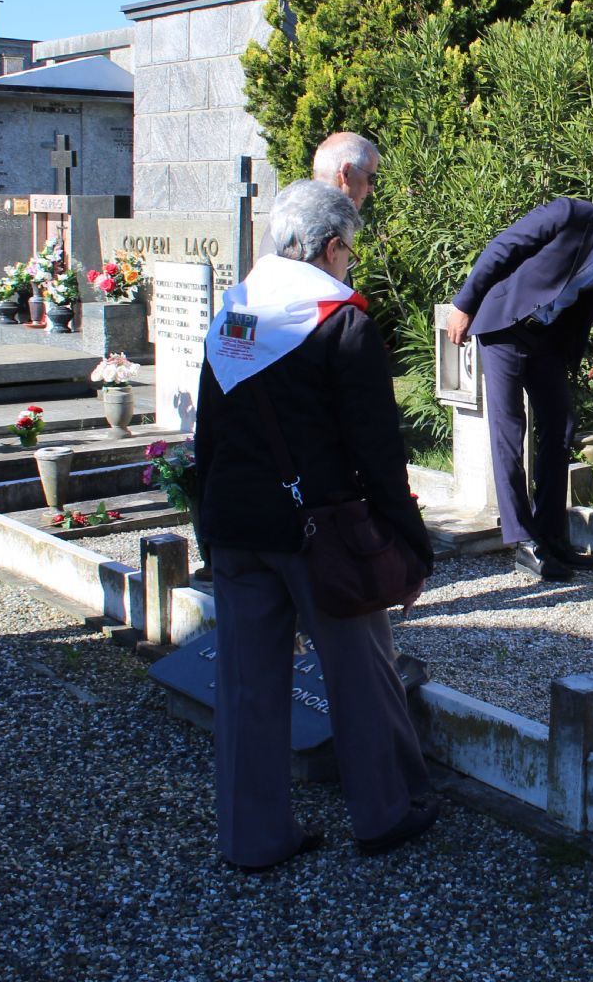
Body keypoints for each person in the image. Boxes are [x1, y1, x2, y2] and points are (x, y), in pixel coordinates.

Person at [194, 181, 440, 863]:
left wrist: (206, 523)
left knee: (245, 685)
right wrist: (409, 543)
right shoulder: (340, 321)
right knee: (360, 673)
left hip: (235, 521)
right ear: (331, 247)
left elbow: (208, 432)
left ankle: (252, 838)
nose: (349, 263)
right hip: (319, 529)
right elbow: (377, 449)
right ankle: (384, 812)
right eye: (349, 251)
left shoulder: (234, 312)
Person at [445, 188, 593, 582]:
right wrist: (463, 304)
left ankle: (551, 536)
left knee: (561, 426)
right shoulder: (570, 216)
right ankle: (524, 540)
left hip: (547, 340)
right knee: (509, 429)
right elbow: (505, 247)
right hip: (505, 325)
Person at [253, 131, 380, 258]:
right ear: (346, 173)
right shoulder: (317, 227)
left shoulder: (291, 216)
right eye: (371, 179)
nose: (371, 189)